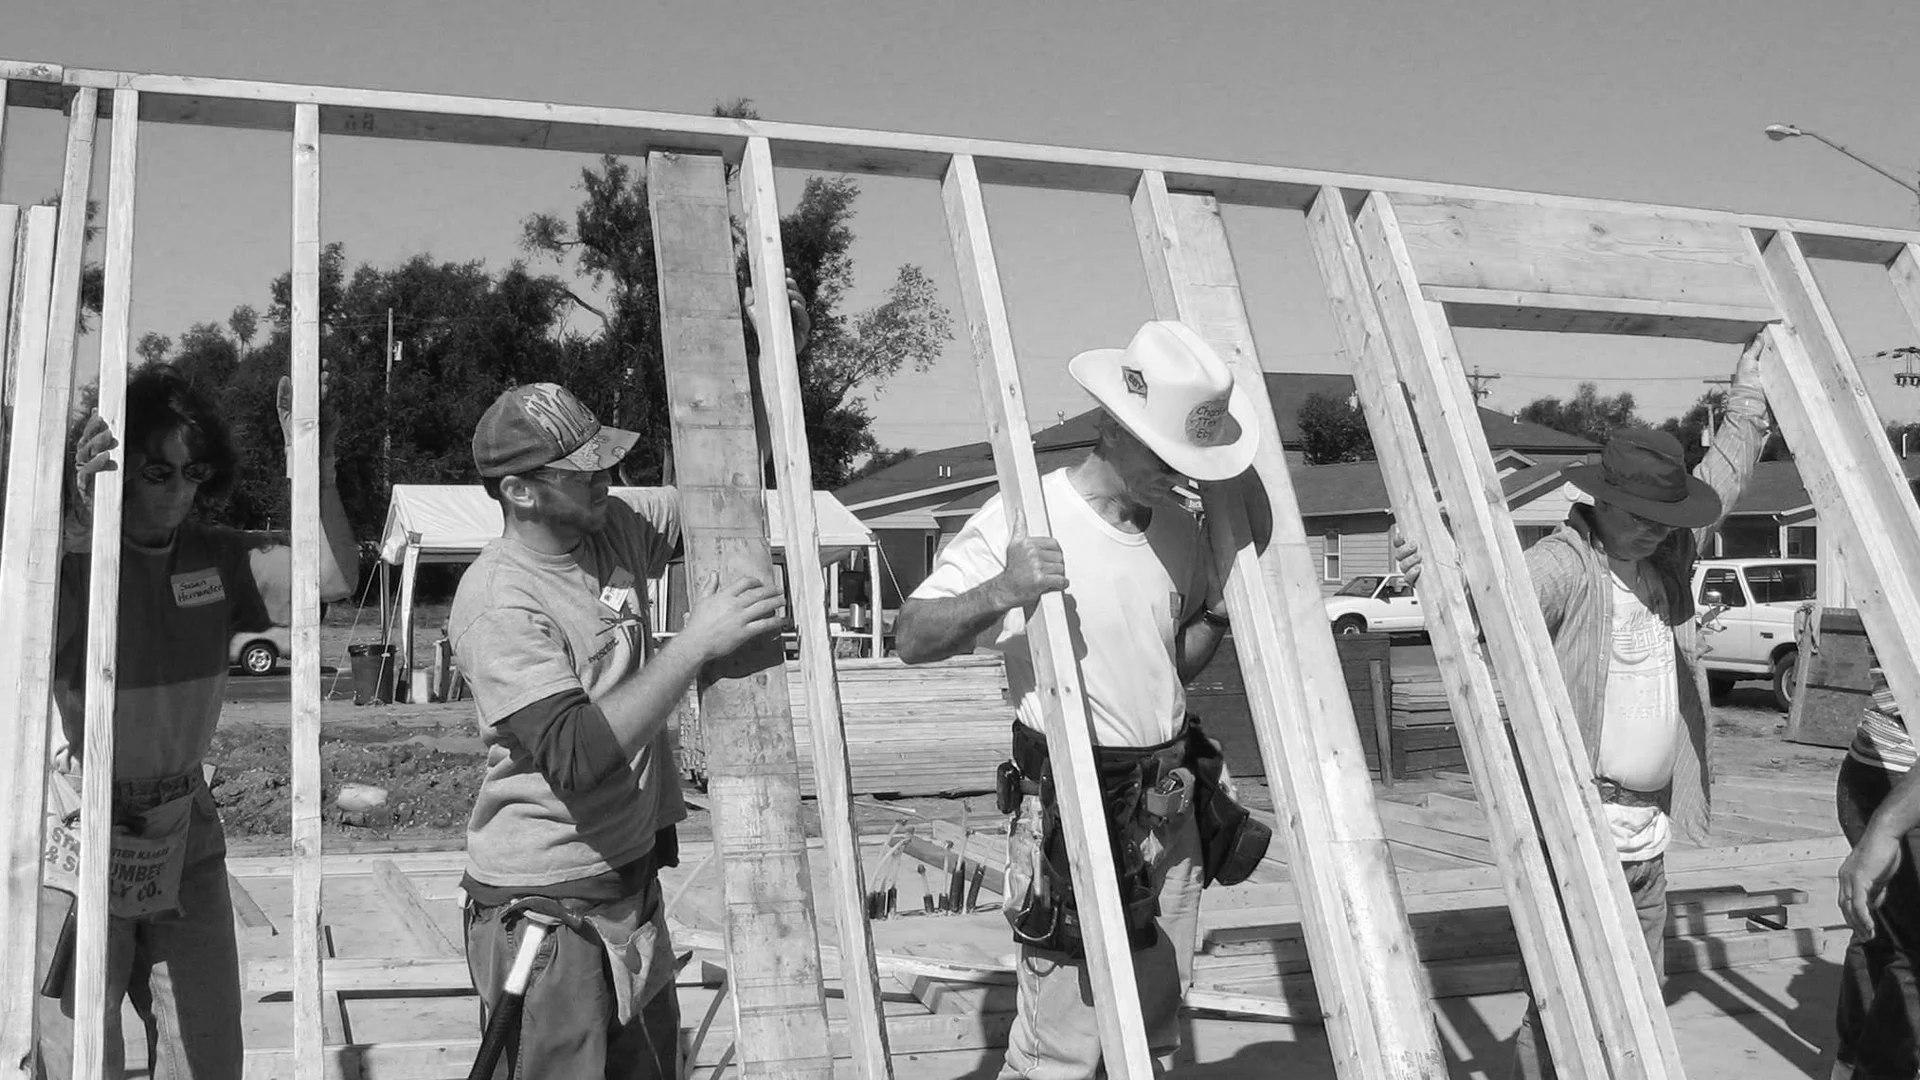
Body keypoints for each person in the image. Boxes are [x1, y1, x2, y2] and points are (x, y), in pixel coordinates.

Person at [894, 320, 1269, 1079]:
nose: (1180, 475)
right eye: (1166, 456)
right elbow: (912, 635)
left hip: (1166, 802)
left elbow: (1172, 665)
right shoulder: (1024, 518)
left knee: (1153, 1030)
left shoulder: (1179, 533)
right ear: (1112, 426)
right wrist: (1004, 589)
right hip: (1074, 804)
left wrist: (1222, 614)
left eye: (1188, 462)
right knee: (1062, 1046)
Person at [451, 287, 806, 1078]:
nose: (606, 478)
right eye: (582, 472)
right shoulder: (499, 599)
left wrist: (765, 360)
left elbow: (725, 485)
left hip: (627, 888)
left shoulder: (607, 522)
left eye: (606, 462)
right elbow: (576, 754)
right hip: (550, 907)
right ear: (521, 491)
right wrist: (695, 644)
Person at [1393, 343, 1768, 1080]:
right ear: (1604, 503)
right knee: (1564, 999)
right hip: (1580, 831)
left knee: (1635, 1003)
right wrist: (1432, 564)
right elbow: (1487, 603)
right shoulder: (1564, 569)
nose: (1660, 527)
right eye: (1645, 516)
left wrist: (1747, 399)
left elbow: (1719, 485)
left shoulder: (1664, 560)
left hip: (1646, 836)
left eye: (1668, 516)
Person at [42, 362, 357, 1079]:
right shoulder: (63, 562)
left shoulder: (215, 557)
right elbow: (22, 636)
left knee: (207, 1046)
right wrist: (81, 522)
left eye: (193, 472)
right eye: (157, 472)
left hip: (182, 825)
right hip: (76, 827)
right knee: (76, 1055)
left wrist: (316, 460)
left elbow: (331, 576)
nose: (180, 491)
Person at [1833, 669, 1920, 1080]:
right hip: (1904, 785)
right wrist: (1885, 829)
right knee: (1911, 957)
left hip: (1874, 768)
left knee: (1879, 929)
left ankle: (1852, 1060)